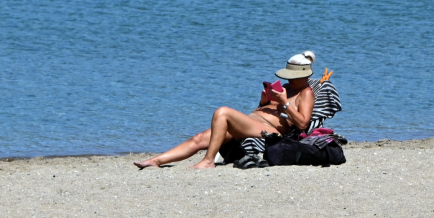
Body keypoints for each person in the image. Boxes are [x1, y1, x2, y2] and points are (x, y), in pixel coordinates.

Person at [134, 51, 317, 169]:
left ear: (304, 75)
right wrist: (264, 102)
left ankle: (208, 161)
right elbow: (265, 110)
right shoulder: (285, 87)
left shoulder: (306, 93)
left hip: (270, 131)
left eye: (294, 77)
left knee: (223, 112)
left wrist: (284, 103)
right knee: (199, 138)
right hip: (251, 122)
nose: (290, 80)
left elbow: (302, 123)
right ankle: (156, 161)